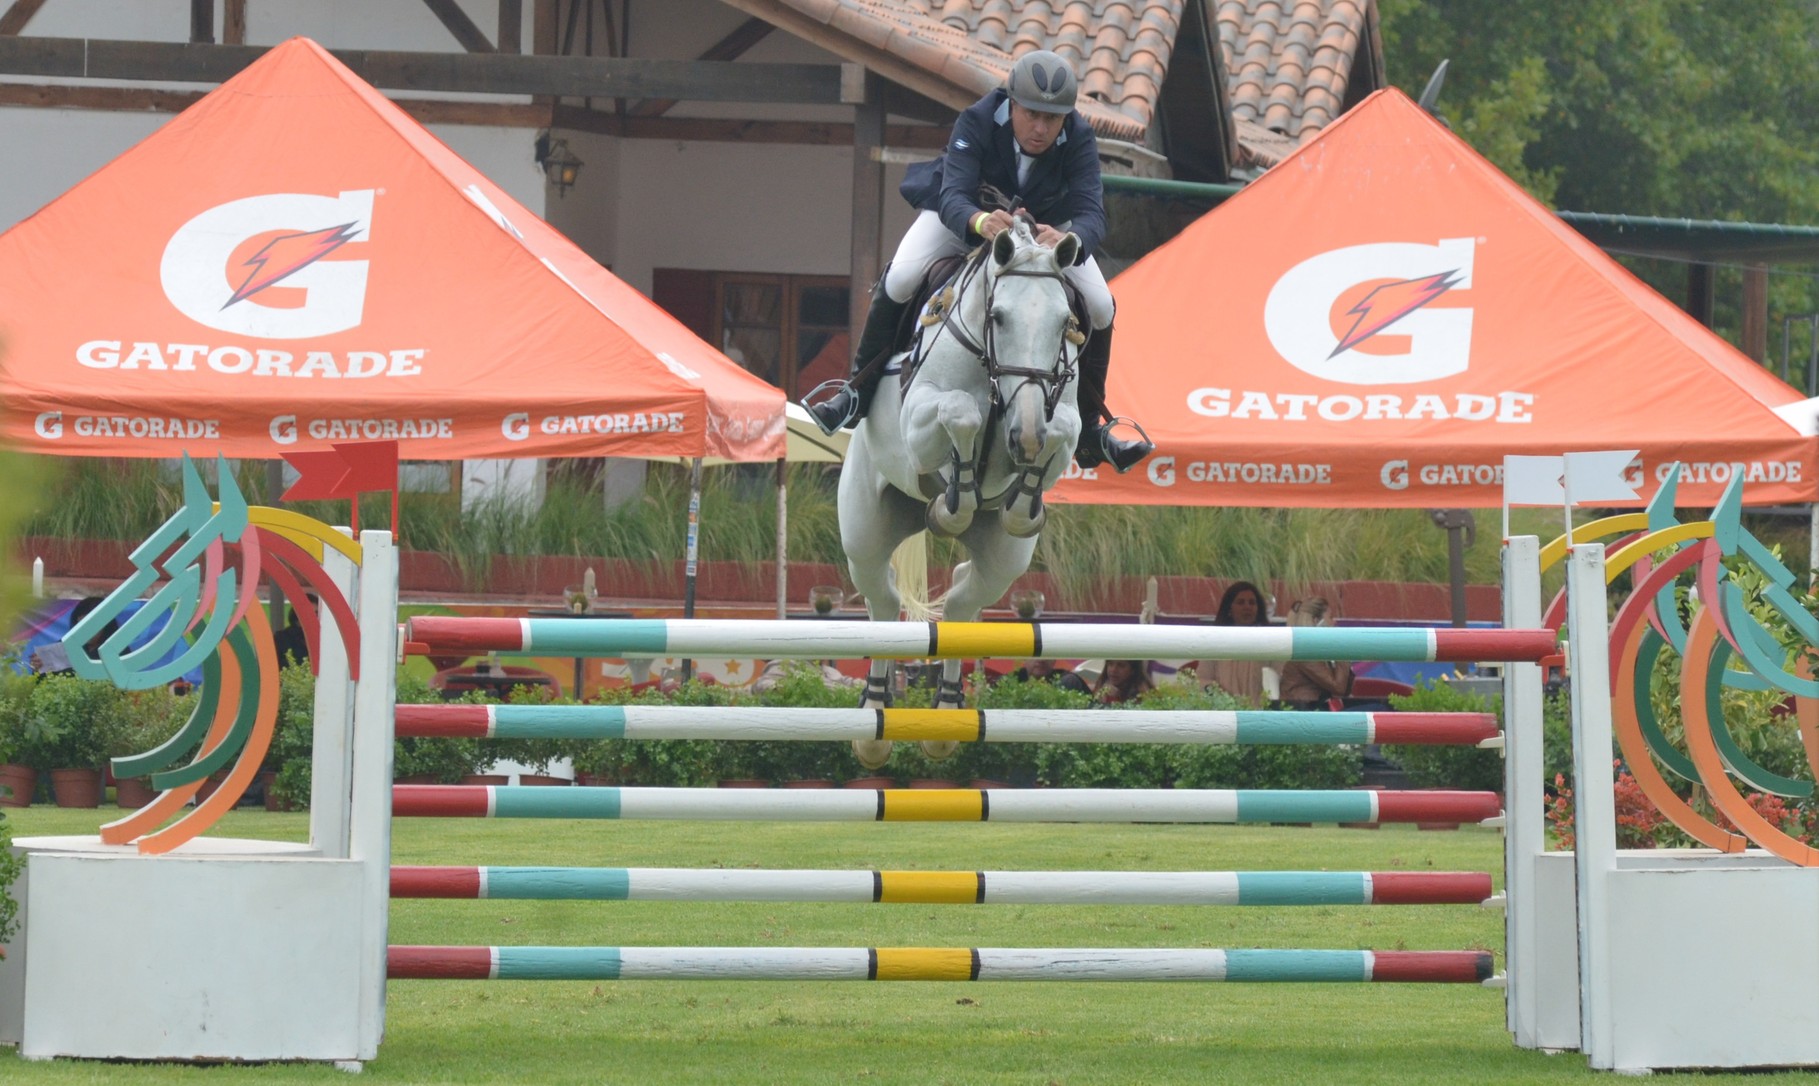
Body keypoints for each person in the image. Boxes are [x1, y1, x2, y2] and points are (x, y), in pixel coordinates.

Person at [801, 49, 1154, 474]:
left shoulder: (1078, 135)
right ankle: (855, 391)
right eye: (1032, 115)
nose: (1041, 128)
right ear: (1012, 103)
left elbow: (1092, 212)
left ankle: (1092, 429)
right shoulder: (978, 118)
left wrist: (1072, 238)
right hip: (964, 215)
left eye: (1052, 118)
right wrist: (980, 221)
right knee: (903, 276)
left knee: (1101, 306)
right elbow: (953, 195)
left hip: (1043, 233)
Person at [1194, 581, 1272, 705]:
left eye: (1252, 602)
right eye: (1241, 602)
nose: (1247, 607)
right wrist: (1223, 698)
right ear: (1229, 608)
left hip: (1259, 714)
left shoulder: (1270, 641)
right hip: (1223, 714)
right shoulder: (1215, 641)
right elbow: (1202, 679)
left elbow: (1277, 679)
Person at [1276, 596, 1355, 710]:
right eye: (1330, 617)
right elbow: (1338, 688)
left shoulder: (1315, 650)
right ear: (1317, 621)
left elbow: (1344, 691)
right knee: (1379, 708)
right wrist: (1342, 651)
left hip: (1316, 708)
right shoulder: (1306, 652)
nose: (1334, 621)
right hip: (1306, 713)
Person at [1011, 657, 1089, 694]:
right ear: (1024, 658)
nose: (1041, 660)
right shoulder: (1009, 682)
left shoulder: (1068, 682)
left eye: (1046, 654)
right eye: (1035, 654)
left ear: (1054, 660)